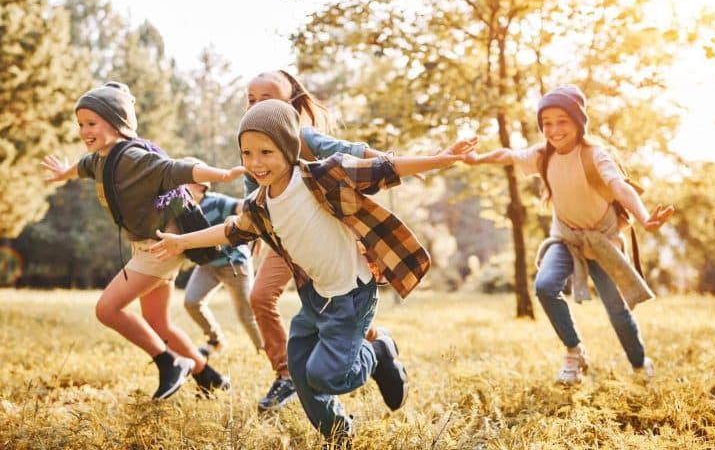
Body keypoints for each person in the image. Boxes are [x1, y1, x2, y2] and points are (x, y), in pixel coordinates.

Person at [149, 99, 478, 446]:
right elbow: (232, 230)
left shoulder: (323, 176)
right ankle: (338, 435)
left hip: (352, 295)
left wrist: (443, 157)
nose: (256, 163)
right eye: (247, 153)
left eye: (266, 151)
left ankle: (377, 351)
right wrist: (181, 241)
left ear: (289, 148)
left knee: (326, 376)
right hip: (315, 297)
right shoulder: (260, 205)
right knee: (301, 374)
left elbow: (383, 168)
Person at [41, 81, 240, 400]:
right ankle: (210, 379)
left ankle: (170, 362)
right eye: (80, 124)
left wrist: (222, 175)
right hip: (149, 244)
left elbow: (175, 170)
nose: (84, 131)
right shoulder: (101, 158)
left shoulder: (132, 156)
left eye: (92, 123)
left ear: (118, 122)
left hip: (161, 245)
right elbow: (82, 167)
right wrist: (64, 172)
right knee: (157, 322)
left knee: (107, 309)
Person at [465, 85, 674, 384]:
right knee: (545, 285)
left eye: (562, 120)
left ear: (578, 122)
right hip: (566, 238)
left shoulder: (594, 154)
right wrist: (476, 159)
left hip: (602, 242)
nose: (553, 129)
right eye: (546, 123)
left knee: (617, 310)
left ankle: (640, 365)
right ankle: (575, 351)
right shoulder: (542, 155)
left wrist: (644, 217)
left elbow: (619, 186)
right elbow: (507, 155)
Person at [244, 70, 397, 411]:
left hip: (328, 235)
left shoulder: (305, 137)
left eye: (266, 99)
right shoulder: (254, 144)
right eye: (251, 100)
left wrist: (388, 163)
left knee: (337, 307)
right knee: (261, 296)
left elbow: (349, 150)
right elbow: (253, 196)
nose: (255, 106)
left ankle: (376, 348)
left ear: (291, 104)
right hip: (289, 239)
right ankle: (286, 376)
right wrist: (253, 233)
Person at [180, 158, 264, 356]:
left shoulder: (217, 202)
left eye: (184, 180)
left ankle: (265, 351)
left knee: (246, 315)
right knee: (192, 302)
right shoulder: (183, 210)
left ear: (200, 185)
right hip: (208, 265)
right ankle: (216, 340)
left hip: (234, 264)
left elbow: (243, 206)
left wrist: (257, 227)